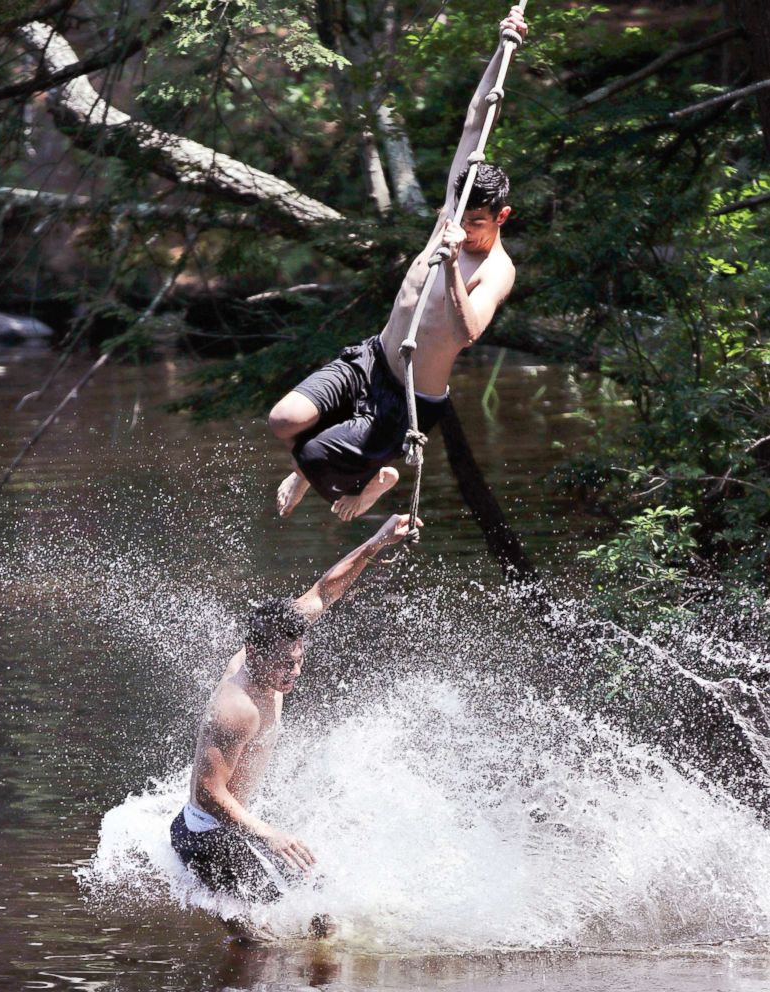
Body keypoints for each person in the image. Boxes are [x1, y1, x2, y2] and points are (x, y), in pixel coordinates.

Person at [268, 6, 529, 522]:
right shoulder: (453, 211)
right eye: (460, 216)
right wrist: (503, 48)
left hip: (408, 398)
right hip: (373, 359)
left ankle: (373, 482)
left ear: (502, 215)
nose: (464, 226)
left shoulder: (498, 268)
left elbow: (469, 330)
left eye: (477, 220)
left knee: (316, 455)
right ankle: (318, 469)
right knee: (284, 420)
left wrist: (453, 262)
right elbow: (478, 117)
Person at [170, 513, 419, 934]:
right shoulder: (237, 709)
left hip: (237, 827)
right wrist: (268, 833)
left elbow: (326, 589)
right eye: (285, 663)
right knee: (262, 938)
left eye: (299, 659)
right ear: (253, 653)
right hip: (207, 838)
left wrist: (377, 541)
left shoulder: (278, 636)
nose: (295, 672)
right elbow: (208, 793)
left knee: (323, 915)